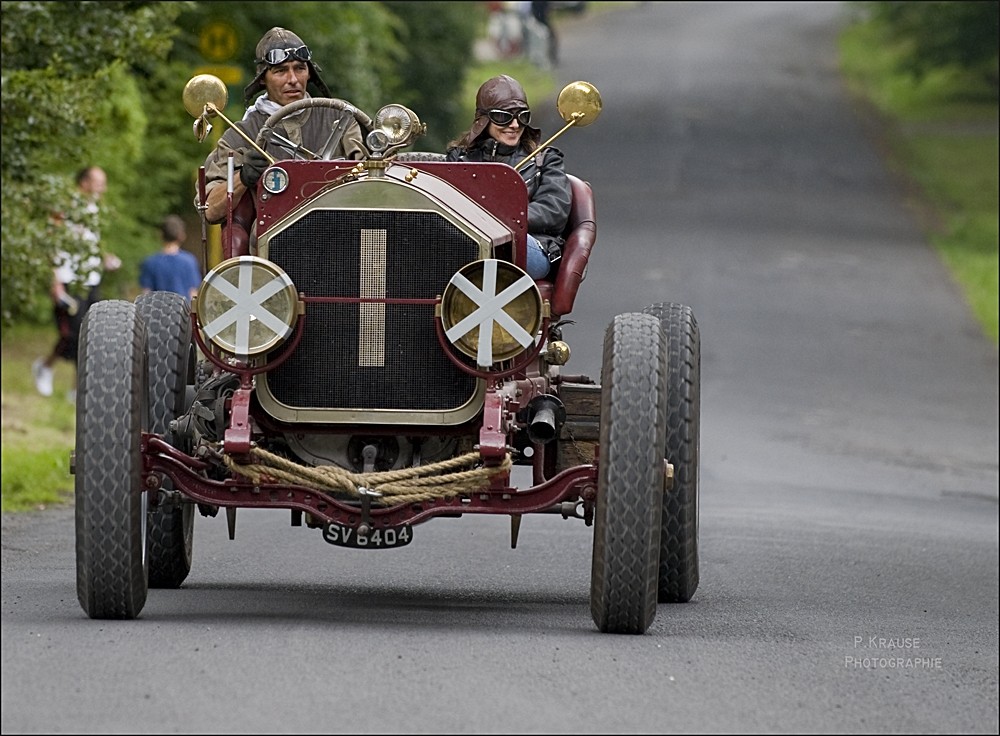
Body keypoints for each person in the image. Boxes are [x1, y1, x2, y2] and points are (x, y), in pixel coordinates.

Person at [200, 27, 365, 225]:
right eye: (281, 71)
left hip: (341, 232)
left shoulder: (339, 120)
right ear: (263, 78)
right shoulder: (241, 135)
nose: (293, 80)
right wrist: (243, 177)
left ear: (309, 73)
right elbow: (209, 210)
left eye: (299, 69)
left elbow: (370, 179)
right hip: (271, 243)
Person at [446, 74, 571, 280]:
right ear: (483, 119)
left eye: (522, 116)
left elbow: (554, 211)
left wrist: (502, 221)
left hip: (529, 244)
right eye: (504, 117)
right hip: (467, 242)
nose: (514, 125)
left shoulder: (545, 159)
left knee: (490, 251)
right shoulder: (460, 158)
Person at [32, 166, 121, 399]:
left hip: (90, 280)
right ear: (84, 182)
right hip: (68, 280)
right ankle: (45, 366)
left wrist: (105, 258)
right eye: (98, 182)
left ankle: (77, 390)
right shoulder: (66, 207)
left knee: (90, 334)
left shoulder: (93, 209)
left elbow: (90, 244)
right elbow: (51, 242)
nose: (103, 187)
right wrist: (55, 281)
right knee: (69, 334)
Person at [139, 215, 202, 302]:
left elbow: (146, 294)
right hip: (183, 312)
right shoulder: (189, 261)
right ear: (182, 236)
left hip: (158, 312)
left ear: (160, 235)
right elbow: (193, 293)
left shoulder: (150, 262)